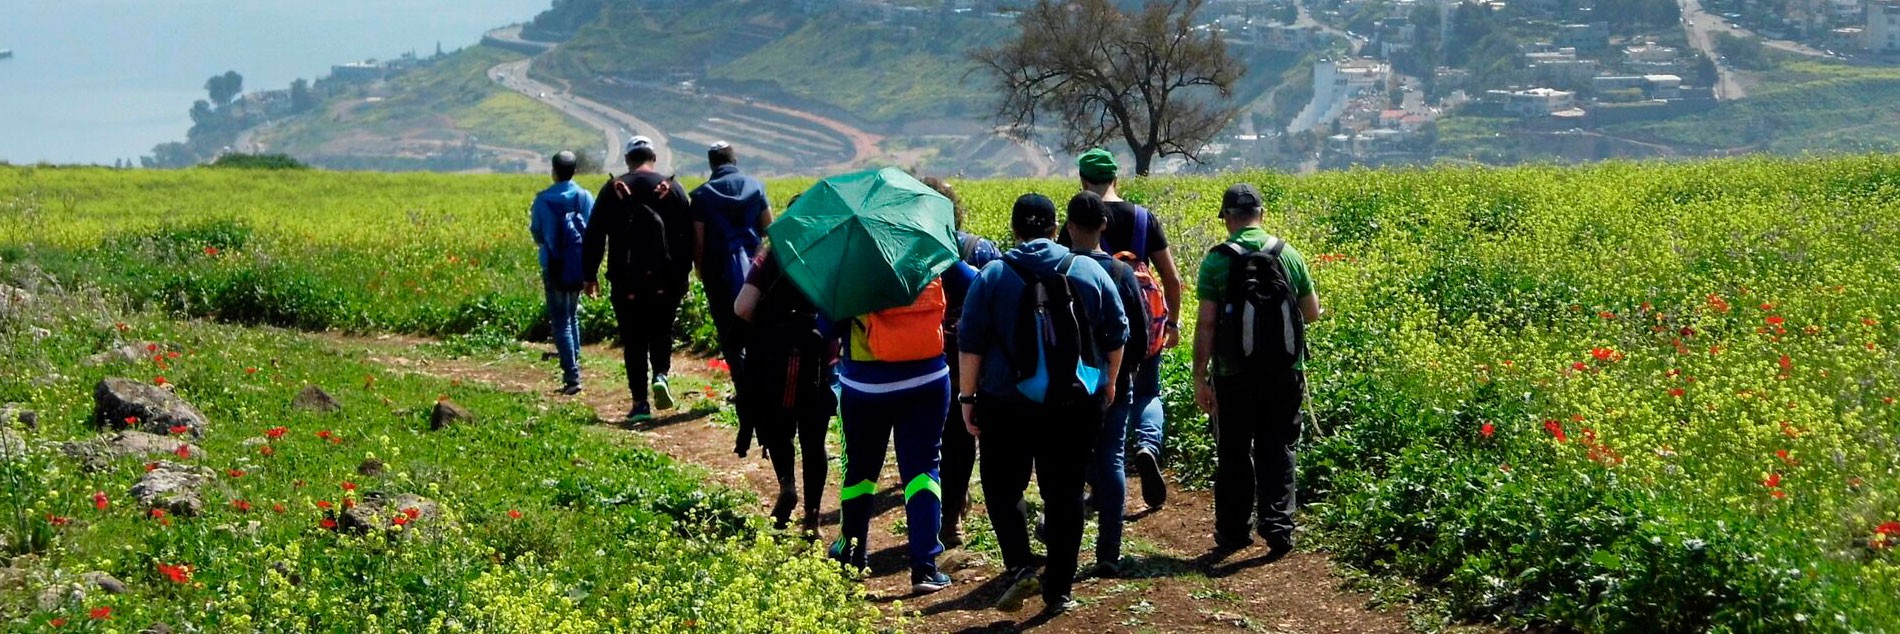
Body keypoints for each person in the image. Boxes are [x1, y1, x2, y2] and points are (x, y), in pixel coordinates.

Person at [958, 193, 1127, 615]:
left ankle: (1020, 565)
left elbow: (971, 343)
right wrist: (1107, 385)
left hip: (1006, 406)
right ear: (1057, 227)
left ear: (1014, 229)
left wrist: (966, 397)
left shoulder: (993, 274)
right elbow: (1116, 334)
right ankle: (1060, 589)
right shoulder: (1088, 268)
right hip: (1074, 402)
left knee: (1001, 489)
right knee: (1065, 494)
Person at [829, 252, 978, 596]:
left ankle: (851, 554)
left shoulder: (850, 254)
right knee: (924, 468)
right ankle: (925, 567)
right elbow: (971, 285)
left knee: (861, 471)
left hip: (866, 384)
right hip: (927, 377)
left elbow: (829, 321)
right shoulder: (927, 243)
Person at [1191, 183, 1323, 557]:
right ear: (1261, 214)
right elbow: (1311, 313)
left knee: (1233, 451)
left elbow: (1207, 325)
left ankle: (1233, 533)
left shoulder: (1217, 260)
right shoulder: (1289, 255)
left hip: (1233, 374)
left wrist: (1200, 376)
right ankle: (1278, 526)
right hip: (1284, 371)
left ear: (1228, 218)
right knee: (1278, 446)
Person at [1058, 148, 1183, 511]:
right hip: (1146, 323)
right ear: (1116, 178)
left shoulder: (1079, 218)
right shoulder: (1143, 218)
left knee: (1095, 406)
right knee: (1148, 393)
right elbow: (1171, 278)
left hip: (1093, 333)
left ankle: (1098, 485)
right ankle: (1147, 445)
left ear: (1083, 180)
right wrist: (1171, 322)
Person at [1063, 191, 1149, 577]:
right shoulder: (1121, 272)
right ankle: (1108, 553)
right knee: (1112, 457)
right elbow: (1141, 337)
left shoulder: (1058, 269)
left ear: (1067, 226)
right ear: (1104, 225)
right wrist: (1122, 372)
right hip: (1113, 380)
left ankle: (1062, 545)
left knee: (1068, 461)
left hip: (1066, 384)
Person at [582, 137, 695, 422]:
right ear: (653, 158)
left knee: (633, 341)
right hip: (665, 281)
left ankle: (639, 403)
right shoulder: (673, 189)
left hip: (626, 281)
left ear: (629, 160)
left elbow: (594, 235)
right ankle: (661, 374)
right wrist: (684, 275)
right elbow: (688, 238)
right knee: (661, 332)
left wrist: (589, 274)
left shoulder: (613, 190)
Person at [921, 176, 1002, 549]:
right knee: (960, 439)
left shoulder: (910, 252)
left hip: (920, 359)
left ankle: (937, 516)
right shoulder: (981, 249)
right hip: (972, 361)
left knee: (926, 442)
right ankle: (950, 518)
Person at [733, 240, 833, 534]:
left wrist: (766, 326)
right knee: (814, 438)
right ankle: (812, 517)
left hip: (774, 353)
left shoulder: (772, 255)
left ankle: (787, 484)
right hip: (816, 354)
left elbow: (742, 307)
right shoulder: (832, 253)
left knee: (778, 428)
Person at [692, 141, 772, 393]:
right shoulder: (757, 188)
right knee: (759, 325)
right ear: (734, 161)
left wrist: (700, 269)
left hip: (719, 273)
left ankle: (743, 386)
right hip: (757, 271)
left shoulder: (701, 196)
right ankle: (762, 382)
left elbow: (699, 240)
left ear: (712, 164)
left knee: (729, 332)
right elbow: (771, 230)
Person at [528, 151, 595, 396]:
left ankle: (572, 376)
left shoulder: (543, 200)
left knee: (561, 321)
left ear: (554, 171)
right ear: (575, 170)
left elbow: (537, 233)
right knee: (572, 315)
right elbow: (594, 232)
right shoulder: (585, 196)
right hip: (578, 265)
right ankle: (575, 366)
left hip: (554, 265)